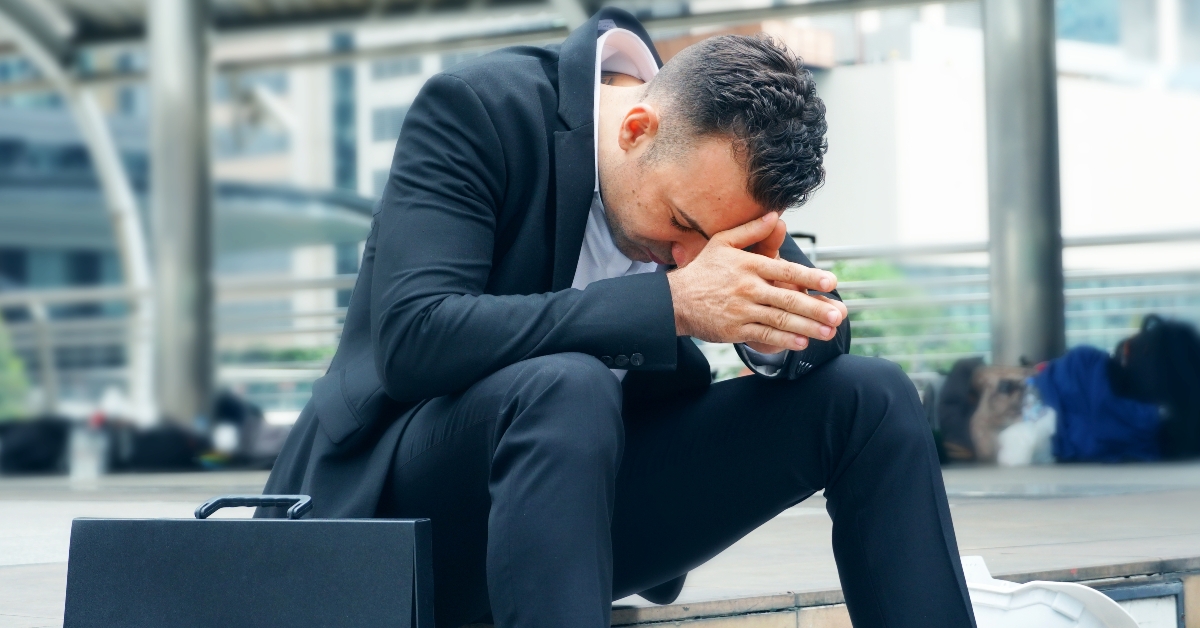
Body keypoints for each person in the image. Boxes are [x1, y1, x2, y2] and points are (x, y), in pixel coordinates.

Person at [259, 8, 977, 628]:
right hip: (401, 515)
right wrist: (669, 306)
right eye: (681, 225)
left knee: (873, 397)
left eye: (721, 240)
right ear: (636, 128)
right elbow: (416, 337)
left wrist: (771, 324)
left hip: (582, 517)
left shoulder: (711, 170)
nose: (689, 257)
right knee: (567, 385)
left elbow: (817, 322)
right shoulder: (478, 108)